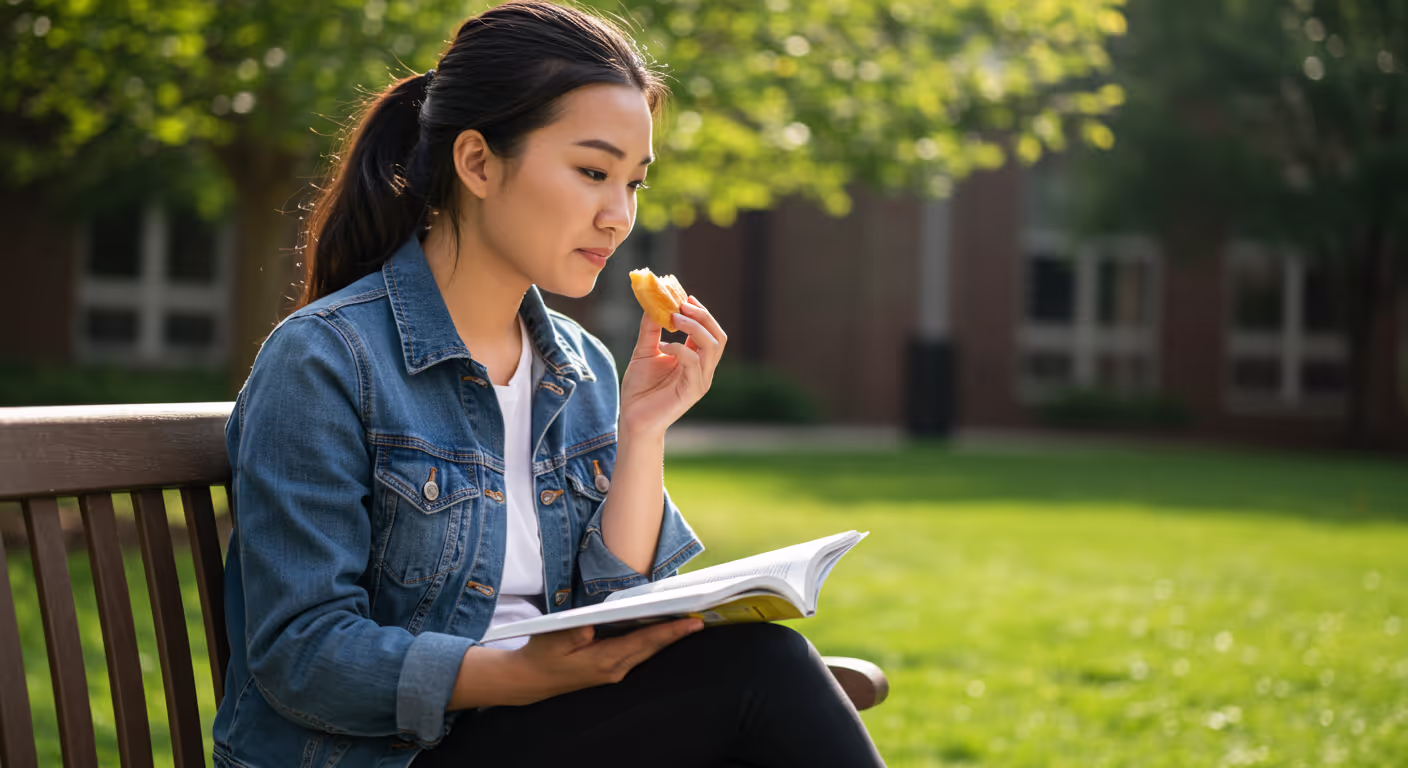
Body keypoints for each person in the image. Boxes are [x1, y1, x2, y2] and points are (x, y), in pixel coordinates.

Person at [212, 2, 886, 766]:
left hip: (540, 733)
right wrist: (517, 675)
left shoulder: (583, 363)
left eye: (634, 183)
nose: (617, 217)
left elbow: (615, 616)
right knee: (765, 676)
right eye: (593, 172)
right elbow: (301, 655)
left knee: (760, 667)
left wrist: (643, 433)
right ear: (477, 164)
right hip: (385, 754)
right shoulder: (327, 361)